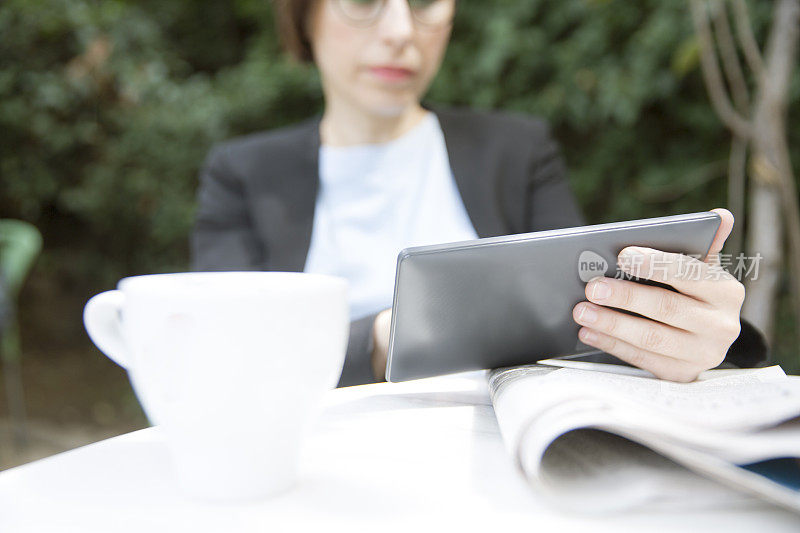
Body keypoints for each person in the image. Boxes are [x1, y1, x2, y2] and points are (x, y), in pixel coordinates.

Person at [192, 0, 767, 387]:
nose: (399, 30)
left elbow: (585, 319)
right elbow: (222, 353)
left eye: (424, 2)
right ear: (302, 17)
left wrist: (684, 330)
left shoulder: (517, 152)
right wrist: (377, 339)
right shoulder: (241, 174)